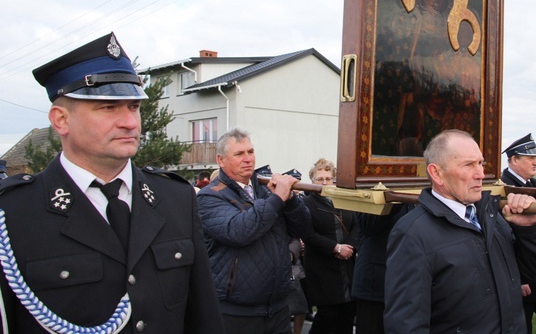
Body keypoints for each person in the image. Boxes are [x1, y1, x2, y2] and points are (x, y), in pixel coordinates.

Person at [0, 32, 223, 333]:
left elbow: (203, 317)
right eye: (108, 107)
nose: (130, 122)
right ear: (61, 120)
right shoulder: (13, 212)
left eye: (133, 107)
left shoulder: (175, 198)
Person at [384, 129, 536, 333]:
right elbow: (406, 324)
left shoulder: (491, 217)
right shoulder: (413, 233)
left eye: (480, 163)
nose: (480, 174)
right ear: (437, 173)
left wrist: (528, 230)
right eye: (469, 165)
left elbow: (528, 273)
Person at [198, 128, 312, 334]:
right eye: (239, 154)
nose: (248, 159)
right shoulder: (210, 197)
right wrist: (277, 198)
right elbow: (239, 231)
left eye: (250, 152)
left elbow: (303, 229)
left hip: (277, 309)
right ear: (221, 160)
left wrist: (292, 200)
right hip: (235, 314)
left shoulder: (266, 189)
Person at [502, 134, 536, 334]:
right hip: (526, 280)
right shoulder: (504, 188)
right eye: (530, 158)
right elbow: (507, 237)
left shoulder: (534, 184)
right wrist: (519, 277)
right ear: (514, 160)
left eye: (535, 157)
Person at [302, 158, 359, 334]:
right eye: (320, 179)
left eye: (328, 178)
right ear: (312, 181)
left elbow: (356, 225)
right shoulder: (307, 204)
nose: (324, 182)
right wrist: (335, 248)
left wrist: (349, 246)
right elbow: (308, 234)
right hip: (323, 268)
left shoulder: (343, 199)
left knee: (347, 315)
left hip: (347, 266)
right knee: (327, 316)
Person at [351, 204, 414, 334]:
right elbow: (367, 225)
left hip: (409, 285)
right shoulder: (373, 187)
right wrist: (394, 198)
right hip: (376, 284)